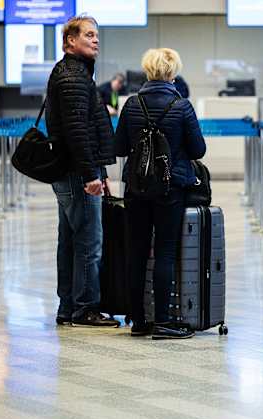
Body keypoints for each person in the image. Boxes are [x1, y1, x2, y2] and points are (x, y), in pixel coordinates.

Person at [115, 48, 206, 340]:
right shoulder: (182, 106)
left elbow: (118, 148)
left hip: (137, 188)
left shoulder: (132, 104)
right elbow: (198, 150)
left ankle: (139, 321)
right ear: (172, 72)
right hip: (171, 189)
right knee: (165, 251)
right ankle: (164, 321)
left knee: (137, 252)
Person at [46, 15, 119, 327]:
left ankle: (68, 307)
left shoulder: (73, 72)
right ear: (70, 41)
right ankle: (85, 308)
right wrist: (91, 175)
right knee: (89, 242)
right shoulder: (74, 77)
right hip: (77, 173)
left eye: (97, 35)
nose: (95, 40)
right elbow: (77, 131)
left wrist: (97, 170)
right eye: (89, 35)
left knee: (71, 241)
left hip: (71, 170)